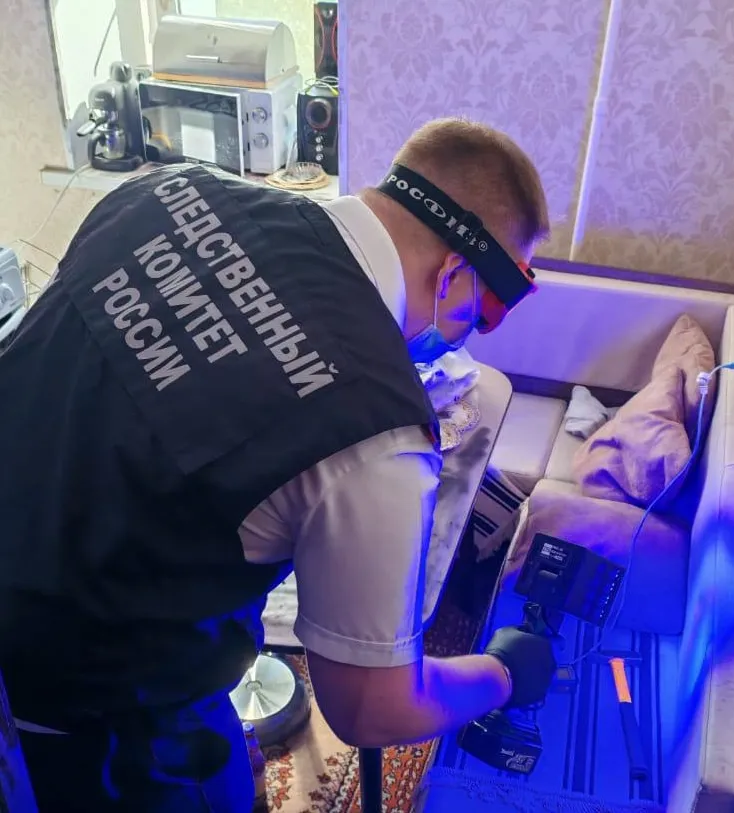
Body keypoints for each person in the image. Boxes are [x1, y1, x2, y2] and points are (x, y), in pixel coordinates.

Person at [0, 117, 553, 811]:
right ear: (454, 273)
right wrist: (503, 672)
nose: (471, 332)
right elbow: (372, 707)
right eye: (487, 309)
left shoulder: (162, 191)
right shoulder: (376, 430)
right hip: (93, 720)